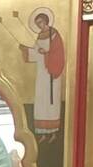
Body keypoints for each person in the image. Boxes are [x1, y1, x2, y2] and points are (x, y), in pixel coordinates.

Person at [19, 11, 65, 142]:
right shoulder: (40, 36)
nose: (39, 25)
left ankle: (54, 133)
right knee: (41, 100)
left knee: (51, 101)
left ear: (45, 21)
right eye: (37, 23)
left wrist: (47, 54)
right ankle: (43, 133)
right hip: (42, 73)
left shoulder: (54, 34)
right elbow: (36, 52)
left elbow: (59, 53)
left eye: (40, 22)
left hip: (52, 73)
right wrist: (26, 50)